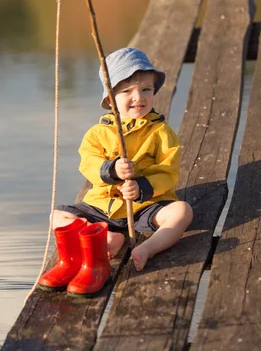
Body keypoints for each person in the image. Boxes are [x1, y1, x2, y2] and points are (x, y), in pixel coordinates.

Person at [47, 48, 193, 281]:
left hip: (145, 206)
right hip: (102, 207)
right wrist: (111, 170)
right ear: (109, 99)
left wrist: (142, 187)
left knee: (182, 211)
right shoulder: (97, 133)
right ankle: (103, 236)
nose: (139, 97)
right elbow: (89, 163)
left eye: (146, 89)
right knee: (57, 216)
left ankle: (148, 248)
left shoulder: (160, 131)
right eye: (127, 91)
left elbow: (168, 171)